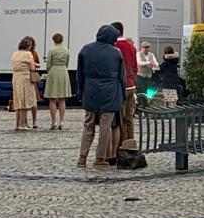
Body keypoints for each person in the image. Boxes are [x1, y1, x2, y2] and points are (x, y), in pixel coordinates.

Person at [77, 25, 125, 168]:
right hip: (110, 93)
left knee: (88, 125)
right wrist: (122, 95)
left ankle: (82, 157)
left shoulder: (85, 50)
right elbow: (121, 77)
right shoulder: (116, 53)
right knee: (105, 127)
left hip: (90, 91)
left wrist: (81, 92)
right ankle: (100, 158)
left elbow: (80, 75)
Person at [111, 22, 138, 145]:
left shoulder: (115, 46)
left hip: (121, 86)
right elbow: (135, 67)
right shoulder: (131, 46)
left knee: (120, 119)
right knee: (129, 118)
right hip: (131, 84)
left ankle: (121, 145)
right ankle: (131, 143)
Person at [10, 39, 38, 131]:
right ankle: (23, 124)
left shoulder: (15, 53)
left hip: (16, 78)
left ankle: (17, 124)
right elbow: (32, 68)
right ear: (28, 46)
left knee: (18, 100)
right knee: (25, 101)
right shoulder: (28, 54)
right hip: (25, 78)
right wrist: (36, 65)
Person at [45, 33, 71, 130]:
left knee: (52, 98)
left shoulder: (52, 50)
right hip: (63, 71)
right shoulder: (66, 50)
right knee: (62, 98)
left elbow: (48, 64)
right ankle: (62, 121)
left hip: (54, 71)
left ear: (54, 40)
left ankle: (53, 122)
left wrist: (49, 71)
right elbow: (67, 63)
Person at [25, 36, 41, 130]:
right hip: (24, 76)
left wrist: (34, 64)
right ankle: (26, 121)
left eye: (31, 44)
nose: (30, 46)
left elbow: (38, 64)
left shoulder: (34, 53)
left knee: (34, 102)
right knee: (25, 101)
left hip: (32, 77)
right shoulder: (22, 54)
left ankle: (34, 121)